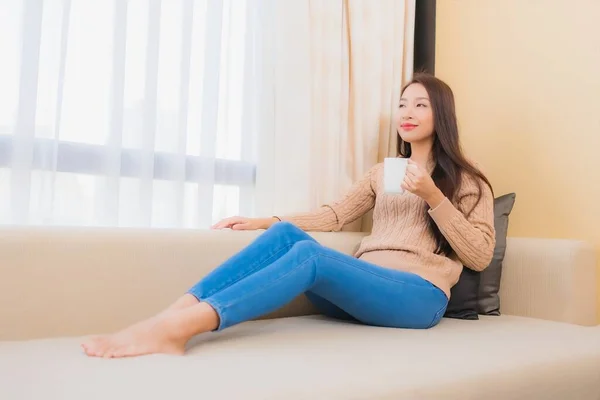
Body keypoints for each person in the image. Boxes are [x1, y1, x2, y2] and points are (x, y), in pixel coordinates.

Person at [81, 73, 496, 358]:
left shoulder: (468, 181)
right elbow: (335, 215)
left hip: (417, 298)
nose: (407, 111)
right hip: (363, 289)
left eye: (420, 104)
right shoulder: (382, 172)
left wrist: (433, 195)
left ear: (440, 114)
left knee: (312, 258)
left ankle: (180, 331)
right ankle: (168, 316)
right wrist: (267, 220)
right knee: (286, 238)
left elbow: (478, 255)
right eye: (403, 103)